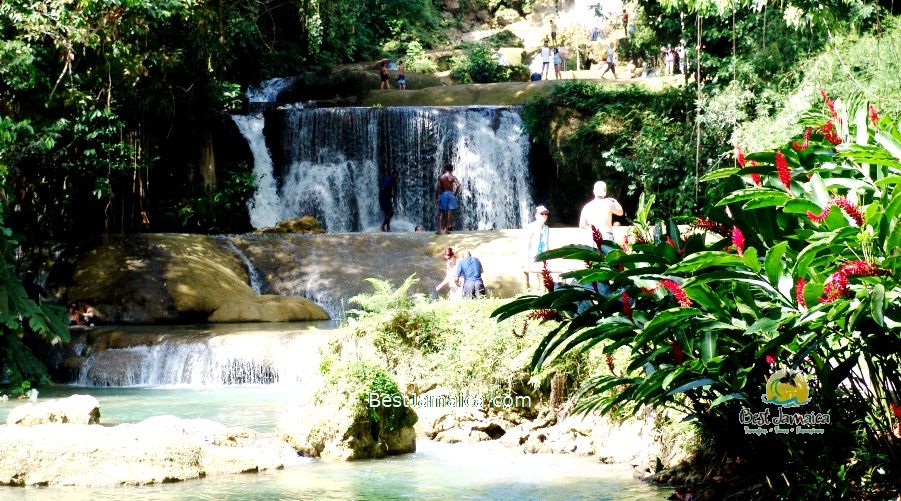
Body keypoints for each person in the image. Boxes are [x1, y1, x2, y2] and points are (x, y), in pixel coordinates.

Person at [579, 180, 624, 246]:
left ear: (594, 192)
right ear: (605, 192)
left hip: (594, 236)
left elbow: (582, 225)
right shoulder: (609, 204)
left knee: (596, 256)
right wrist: (615, 201)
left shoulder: (587, 206)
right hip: (607, 235)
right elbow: (621, 212)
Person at [523, 205, 550, 290]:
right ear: (536, 215)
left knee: (543, 274)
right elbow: (526, 242)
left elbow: (547, 243)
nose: (544, 216)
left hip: (543, 255)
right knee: (529, 273)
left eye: (546, 214)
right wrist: (525, 258)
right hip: (533, 255)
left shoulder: (546, 228)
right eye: (542, 213)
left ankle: (542, 294)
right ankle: (526, 293)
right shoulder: (531, 226)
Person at [435, 164, 461, 235]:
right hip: (451, 194)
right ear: (452, 170)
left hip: (443, 194)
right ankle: (446, 230)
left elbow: (438, 188)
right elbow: (458, 185)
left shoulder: (441, 177)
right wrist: (455, 194)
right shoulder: (453, 177)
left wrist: (437, 198)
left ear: (445, 168)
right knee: (449, 213)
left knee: (440, 213)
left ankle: (439, 230)